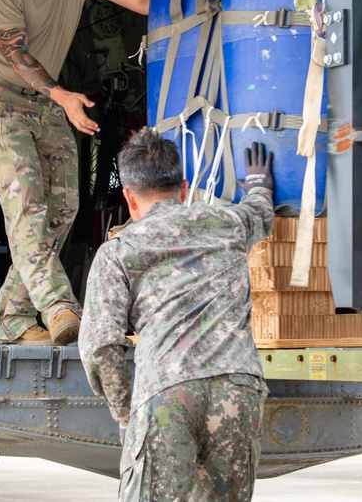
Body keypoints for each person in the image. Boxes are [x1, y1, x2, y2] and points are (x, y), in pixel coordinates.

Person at [0, 0, 150, 346]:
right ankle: (59, 306)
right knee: (27, 202)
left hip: (45, 99)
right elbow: (18, 56)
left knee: (63, 208)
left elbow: (143, 0)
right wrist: (62, 95)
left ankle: (8, 317)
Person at [79, 129, 275, 501]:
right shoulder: (228, 224)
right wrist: (259, 186)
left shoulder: (120, 251)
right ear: (183, 188)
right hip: (238, 387)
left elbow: (100, 347)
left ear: (128, 197)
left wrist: (126, 414)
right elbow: (260, 214)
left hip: (166, 394)